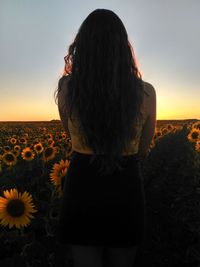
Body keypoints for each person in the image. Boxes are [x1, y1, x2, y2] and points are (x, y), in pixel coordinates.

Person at [55, 8, 156, 267]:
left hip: (81, 185)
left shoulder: (67, 89)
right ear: (123, 48)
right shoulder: (146, 93)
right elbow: (143, 148)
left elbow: (70, 135)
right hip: (126, 186)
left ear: (83, 46)